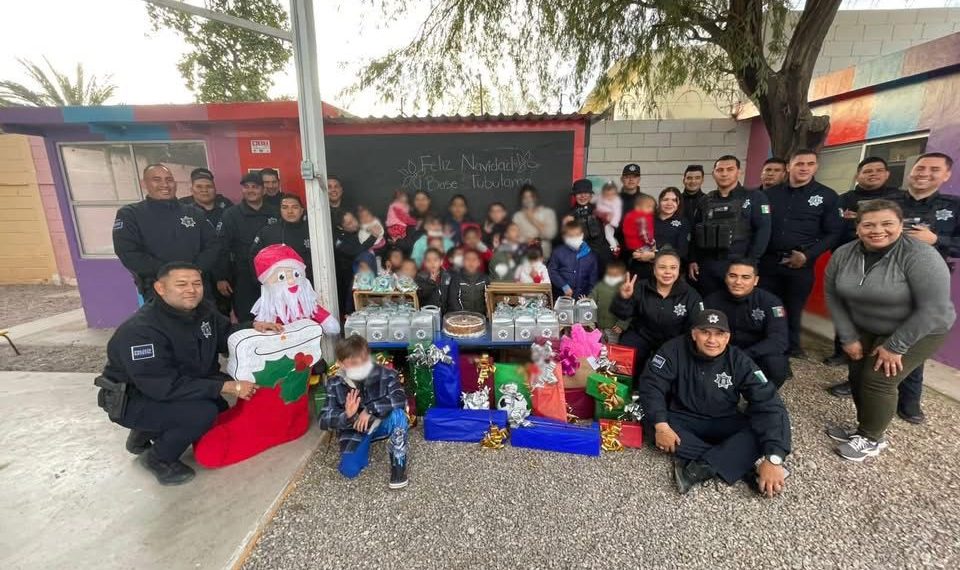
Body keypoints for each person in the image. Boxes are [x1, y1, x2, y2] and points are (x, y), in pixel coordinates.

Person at [95, 262, 267, 485]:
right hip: (133, 399)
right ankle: (158, 459)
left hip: (177, 384)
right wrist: (226, 386)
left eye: (197, 283)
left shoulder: (203, 311)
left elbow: (227, 334)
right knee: (202, 414)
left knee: (219, 409)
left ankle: (144, 433)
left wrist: (252, 328)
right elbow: (161, 386)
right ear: (160, 288)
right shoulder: (141, 331)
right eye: (181, 284)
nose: (191, 290)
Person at [824, 199, 955, 461]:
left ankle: (872, 438)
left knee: (878, 379)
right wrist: (848, 337)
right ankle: (863, 428)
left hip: (920, 328)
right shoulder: (844, 254)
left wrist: (895, 346)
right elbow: (833, 296)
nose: (878, 230)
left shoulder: (921, 255)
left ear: (900, 224)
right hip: (868, 323)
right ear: (858, 227)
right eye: (868, 225)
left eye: (887, 224)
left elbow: (932, 308)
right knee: (857, 374)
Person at [639, 309, 792, 496]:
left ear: (727, 338)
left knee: (760, 432)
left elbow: (769, 403)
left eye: (719, 334)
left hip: (724, 419)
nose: (712, 340)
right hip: (682, 417)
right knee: (651, 423)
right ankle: (739, 466)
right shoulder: (672, 350)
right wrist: (662, 426)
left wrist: (774, 458)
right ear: (694, 334)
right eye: (705, 332)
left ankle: (702, 466)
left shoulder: (739, 361)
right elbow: (651, 386)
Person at [887, 152, 959, 423]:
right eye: (920, 168)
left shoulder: (953, 207)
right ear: (911, 170)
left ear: (946, 175)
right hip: (884, 278)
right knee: (872, 331)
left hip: (925, 284)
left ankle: (909, 399)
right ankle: (858, 382)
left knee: (913, 337)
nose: (924, 173)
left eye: (934, 169)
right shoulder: (889, 202)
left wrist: (937, 239)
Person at [760, 149, 842, 357]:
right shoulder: (770, 194)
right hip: (768, 262)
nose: (804, 168)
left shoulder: (826, 196)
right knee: (766, 305)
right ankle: (767, 343)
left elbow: (833, 233)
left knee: (793, 308)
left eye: (810, 164)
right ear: (789, 167)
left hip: (800, 264)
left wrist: (808, 255)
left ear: (816, 167)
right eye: (799, 163)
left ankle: (793, 347)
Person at [823, 157, 902, 370]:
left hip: (888, 265)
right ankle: (842, 351)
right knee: (844, 306)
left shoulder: (898, 198)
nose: (873, 174)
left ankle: (875, 357)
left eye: (878, 170)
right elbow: (833, 230)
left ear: (887, 174)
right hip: (849, 263)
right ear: (857, 175)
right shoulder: (844, 199)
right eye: (867, 171)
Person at [113, 163, 221, 301]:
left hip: (198, 287)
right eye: (157, 180)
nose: (165, 184)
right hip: (158, 290)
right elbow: (127, 252)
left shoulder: (194, 212)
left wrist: (194, 270)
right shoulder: (130, 214)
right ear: (143, 183)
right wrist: (170, 273)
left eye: (169, 180)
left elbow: (213, 245)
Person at [318, 335, 409, 488]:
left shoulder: (385, 374)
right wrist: (346, 415)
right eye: (354, 363)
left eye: (364, 361)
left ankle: (398, 465)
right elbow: (323, 419)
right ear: (341, 364)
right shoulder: (334, 384)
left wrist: (370, 410)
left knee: (398, 415)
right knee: (349, 471)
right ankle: (364, 443)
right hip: (354, 430)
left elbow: (400, 398)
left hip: (380, 422)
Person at [689, 156, 771, 297]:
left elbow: (763, 231)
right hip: (708, 265)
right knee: (709, 305)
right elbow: (695, 232)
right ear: (714, 173)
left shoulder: (755, 197)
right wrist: (693, 259)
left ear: (739, 172)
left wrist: (751, 262)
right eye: (720, 170)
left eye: (729, 169)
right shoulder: (705, 200)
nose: (724, 173)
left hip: (739, 265)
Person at [611, 249, 702, 373]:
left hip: (673, 341)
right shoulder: (641, 287)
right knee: (622, 356)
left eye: (673, 267)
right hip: (641, 335)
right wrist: (623, 298)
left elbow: (694, 328)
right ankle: (619, 383)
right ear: (654, 269)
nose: (667, 272)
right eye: (662, 267)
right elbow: (622, 314)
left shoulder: (691, 295)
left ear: (679, 270)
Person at [704, 259, 791, 387]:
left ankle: (763, 395)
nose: (738, 282)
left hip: (755, 354)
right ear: (726, 277)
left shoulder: (770, 302)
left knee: (776, 363)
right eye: (733, 276)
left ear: (755, 280)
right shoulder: (712, 301)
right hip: (721, 354)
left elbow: (779, 340)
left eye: (745, 277)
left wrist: (745, 355)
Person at [216, 171, 280, 320]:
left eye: (255, 187)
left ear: (263, 190)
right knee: (248, 318)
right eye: (246, 187)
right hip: (243, 276)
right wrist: (221, 277)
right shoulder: (231, 215)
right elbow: (222, 247)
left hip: (273, 275)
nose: (250, 190)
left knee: (276, 316)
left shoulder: (275, 213)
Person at [251, 194, 312, 282]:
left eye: (294, 207)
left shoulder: (313, 231)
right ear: (280, 210)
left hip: (308, 284)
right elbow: (254, 258)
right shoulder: (268, 232)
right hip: (277, 285)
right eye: (285, 207)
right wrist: (263, 282)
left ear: (302, 210)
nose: (290, 211)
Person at [334, 211, 380, 317]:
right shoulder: (340, 240)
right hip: (349, 279)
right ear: (341, 227)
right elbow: (356, 251)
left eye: (354, 219)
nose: (354, 223)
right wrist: (373, 237)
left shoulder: (360, 230)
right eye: (349, 223)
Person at [564, 179, 609, 269]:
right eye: (579, 193)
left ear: (590, 195)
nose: (583, 196)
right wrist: (566, 225)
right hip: (581, 254)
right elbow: (566, 238)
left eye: (586, 193)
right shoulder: (569, 214)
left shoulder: (599, 209)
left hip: (601, 253)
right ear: (575, 195)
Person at [547, 220, 599, 299]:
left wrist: (590, 295)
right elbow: (552, 271)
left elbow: (593, 279)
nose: (574, 238)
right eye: (571, 236)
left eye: (577, 235)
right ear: (564, 237)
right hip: (562, 296)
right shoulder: (558, 252)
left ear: (582, 235)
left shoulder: (590, 255)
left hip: (582, 297)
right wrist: (564, 286)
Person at [179, 167, 233, 232]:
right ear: (191, 189)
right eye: (199, 187)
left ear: (215, 189)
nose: (204, 190)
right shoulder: (182, 205)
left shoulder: (226, 204)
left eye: (209, 186)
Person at [512, 184, 558, 258]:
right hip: (523, 255)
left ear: (536, 197)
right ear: (521, 200)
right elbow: (513, 236)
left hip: (544, 255)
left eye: (531, 196)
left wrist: (532, 219)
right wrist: (527, 240)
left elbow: (550, 235)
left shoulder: (548, 212)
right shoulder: (517, 216)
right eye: (525, 197)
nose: (528, 200)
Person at [590, 260, 631, 344]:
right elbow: (592, 297)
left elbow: (629, 309)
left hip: (613, 328)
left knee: (612, 347)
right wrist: (586, 301)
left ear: (623, 276)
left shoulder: (625, 290)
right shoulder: (600, 286)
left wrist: (621, 325)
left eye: (615, 276)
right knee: (599, 346)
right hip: (599, 326)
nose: (612, 278)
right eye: (609, 275)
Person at [622, 194, 658, 278]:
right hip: (641, 245)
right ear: (638, 207)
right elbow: (644, 234)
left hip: (631, 246)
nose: (651, 209)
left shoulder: (629, 216)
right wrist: (652, 243)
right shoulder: (642, 218)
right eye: (648, 207)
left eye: (652, 207)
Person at [446, 249, 490, 314]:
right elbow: (453, 300)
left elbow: (489, 299)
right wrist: (462, 314)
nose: (471, 262)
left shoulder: (485, 279)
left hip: (481, 316)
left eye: (474, 260)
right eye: (468, 259)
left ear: (479, 263)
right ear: (463, 262)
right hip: (461, 316)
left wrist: (486, 313)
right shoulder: (456, 279)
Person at [594, 181, 624, 256]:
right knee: (608, 235)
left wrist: (613, 222)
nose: (609, 197)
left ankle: (615, 248)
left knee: (608, 236)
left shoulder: (616, 202)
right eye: (607, 195)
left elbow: (617, 213)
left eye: (612, 195)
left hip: (610, 222)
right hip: (602, 219)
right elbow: (597, 204)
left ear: (616, 194)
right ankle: (616, 244)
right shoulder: (601, 198)